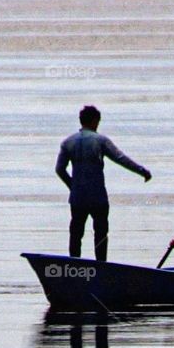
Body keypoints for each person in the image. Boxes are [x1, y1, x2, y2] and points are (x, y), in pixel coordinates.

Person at [56, 105, 151, 262]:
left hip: (78, 197)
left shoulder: (68, 143)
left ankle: (74, 264)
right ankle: (101, 266)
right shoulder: (100, 141)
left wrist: (72, 186)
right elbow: (120, 158)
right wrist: (142, 171)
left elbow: (60, 169)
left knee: (76, 232)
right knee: (100, 233)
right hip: (97, 196)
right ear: (94, 121)